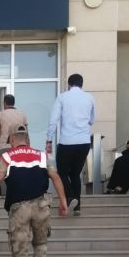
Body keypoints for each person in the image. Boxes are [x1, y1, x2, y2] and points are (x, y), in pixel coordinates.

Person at [0, 125, 68, 257]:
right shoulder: (42, 156)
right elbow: (55, 177)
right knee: (41, 243)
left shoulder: (7, 157)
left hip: (19, 209)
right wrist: (63, 201)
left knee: (19, 254)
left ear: (12, 140)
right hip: (42, 205)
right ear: (27, 140)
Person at [46, 73, 94, 216]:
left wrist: (49, 139)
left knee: (62, 173)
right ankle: (77, 206)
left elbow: (53, 120)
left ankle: (71, 196)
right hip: (84, 142)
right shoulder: (89, 98)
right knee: (75, 174)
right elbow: (92, 120)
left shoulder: (62, 97)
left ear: (69, 84)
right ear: (81, 84)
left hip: (67, 142)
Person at [0, 94, 28, 160]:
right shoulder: (22, 115)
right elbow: (26, 134)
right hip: (19, 148)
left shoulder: (0, 114)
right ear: (14, 103)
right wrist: (27, 148)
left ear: (5, 103)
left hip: (4, 147)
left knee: (4, 165)